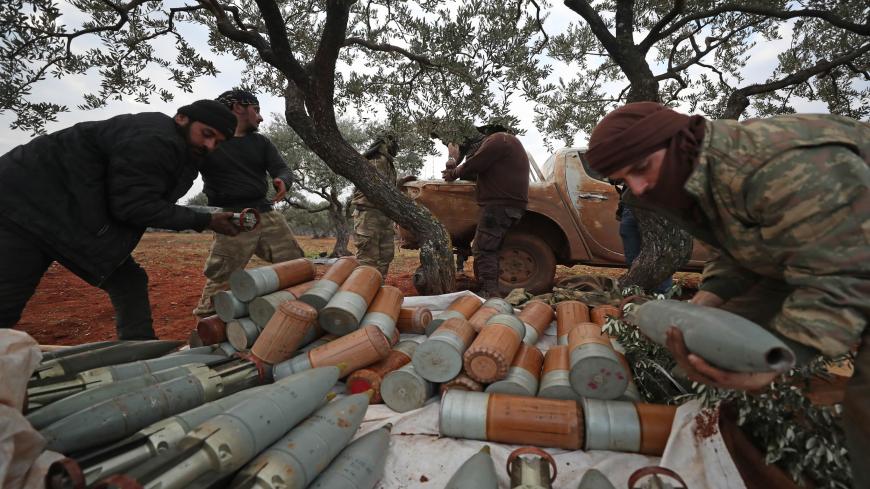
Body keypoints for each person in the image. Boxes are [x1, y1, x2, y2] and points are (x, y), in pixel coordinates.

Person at [585, 101, 869, 487]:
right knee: (714, 346)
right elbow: (736, 246)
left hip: (852, 260)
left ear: (678, 141)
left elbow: (844, 277)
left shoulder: (775, 167)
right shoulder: (688, 174)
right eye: (623, 181)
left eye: (640, 168)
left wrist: (776, 361)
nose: (637, 188)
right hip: (810, 260)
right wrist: (708, 301)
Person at [0, 100, 241, 340]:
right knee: (6, 302)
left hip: (66, 216)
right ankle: (139, 348)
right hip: (21, 208)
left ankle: (139, 350)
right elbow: (135, 206)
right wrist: (206, 221)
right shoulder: (155, 139)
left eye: (218, 142)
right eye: (207, 134)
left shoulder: (174, 147)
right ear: (182, 118)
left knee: (129, 282)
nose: (210, 145)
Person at [193, 89, 305, 318]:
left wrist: (282, 180)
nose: (261, 117)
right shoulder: (210, 142)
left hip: (267, 215)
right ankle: (206, 325)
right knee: (222, 278)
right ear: (238, 107)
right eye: (256, 110)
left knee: (296, 266)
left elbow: (282, 168)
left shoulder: (261, 142)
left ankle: (293, 316)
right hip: (231, 219)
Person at [442, 123, 530, 298]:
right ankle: (489, 288)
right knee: (491, 249)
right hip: (511, 206)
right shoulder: (511, 144)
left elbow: (474, 164)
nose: (483, 139)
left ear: (489, 131)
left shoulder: (498, 140)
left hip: (498, 207)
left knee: (483, 249)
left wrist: (453, 172)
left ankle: (489, 292)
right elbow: (479, 168)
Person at [352, 135, 402, 276]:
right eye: (394, 143)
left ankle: (377, 286)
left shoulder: (387, 162)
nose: (397, 147)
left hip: (383, 217)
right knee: (367, 261)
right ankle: (363, 288)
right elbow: (379, 189)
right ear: (387, 143)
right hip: (369, 216)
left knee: (385, 257)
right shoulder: (376, 161)